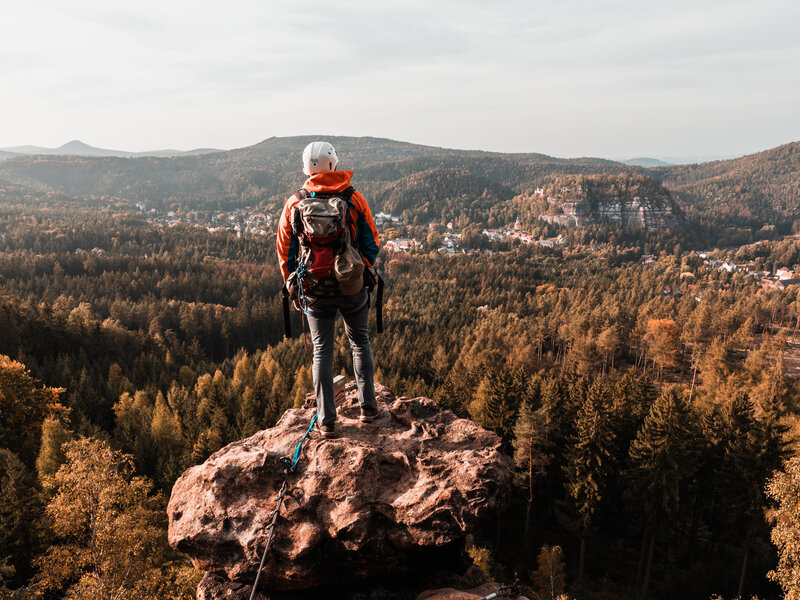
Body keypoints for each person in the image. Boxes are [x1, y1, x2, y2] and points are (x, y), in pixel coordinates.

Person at [276, 141, 380, 438]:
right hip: (351, 285)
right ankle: (368, 410)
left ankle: (326, 421)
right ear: (333, 164)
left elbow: (285, 250)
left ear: (306, 168)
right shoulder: (353, 198)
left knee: (321, 350)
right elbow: (371, 242)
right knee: (359, 342)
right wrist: (360, 269)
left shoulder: (295, 202)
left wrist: (291, 283)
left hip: (313, 286)